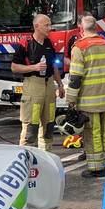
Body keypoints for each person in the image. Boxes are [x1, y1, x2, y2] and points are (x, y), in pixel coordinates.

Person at [65, 15, 105, 178]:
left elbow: (75, 78)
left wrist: (71, 100)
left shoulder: (79, 48)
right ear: (96, 28)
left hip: (89, 101)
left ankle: (96, 168)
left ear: (81, 29)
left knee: (92, 133)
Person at [12, 13, 65, 150]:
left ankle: (46, 159)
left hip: (49, 86)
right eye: (46, 25)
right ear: (37, 26)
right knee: (31, 128)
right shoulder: (26, 43)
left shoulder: (48, 43)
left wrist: (60, 85)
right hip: (33, 85)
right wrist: (33, 67)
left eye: (50, 24)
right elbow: (14, 67)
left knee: (48, 126)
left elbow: (53, 65)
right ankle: (26, 159)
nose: (50, 28)